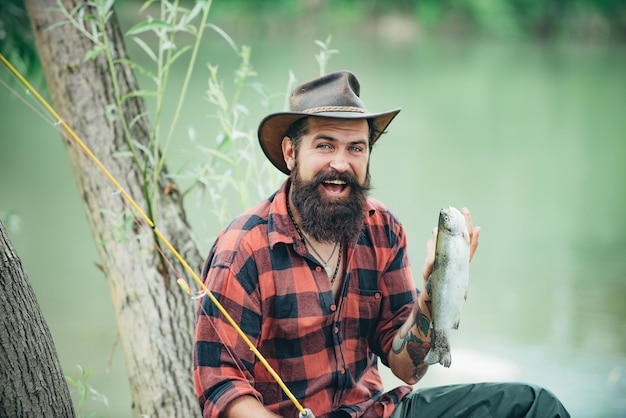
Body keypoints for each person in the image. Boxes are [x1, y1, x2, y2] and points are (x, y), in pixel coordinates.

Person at [193, 71, 570, 418]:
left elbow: (408, 367)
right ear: (292, 153)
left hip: (378, 412)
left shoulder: (382, 228)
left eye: (356, 148)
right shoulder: (244, 248)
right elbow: (220, 388)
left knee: (535, 407)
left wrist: (432, 296)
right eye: (325, 146)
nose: (341, 163)